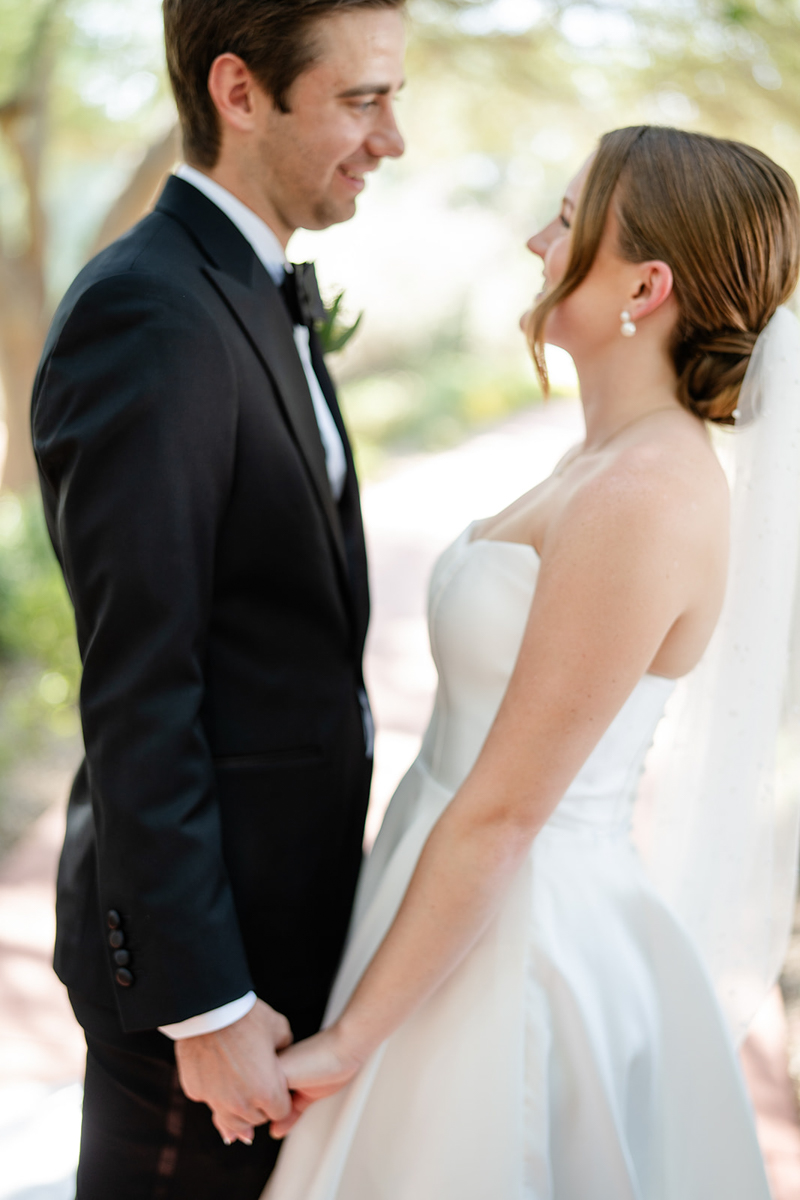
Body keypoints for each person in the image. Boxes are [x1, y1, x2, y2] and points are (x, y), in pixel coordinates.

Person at [259, 126, 800, 1199]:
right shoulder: (601, 460)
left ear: (645, 285)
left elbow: (506, 813)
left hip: (512, 945)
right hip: (449, 892)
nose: (531, 243)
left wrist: (349, 1043)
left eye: (564, 222)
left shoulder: (642, 494)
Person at [30, 2, 405, 1197]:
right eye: (360, 100)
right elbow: (143, 684)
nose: (390, 139)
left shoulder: (249, 284)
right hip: (205, 978)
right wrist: (206, 1003)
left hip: (283, 931)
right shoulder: (151, 310)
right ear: (239, 92)